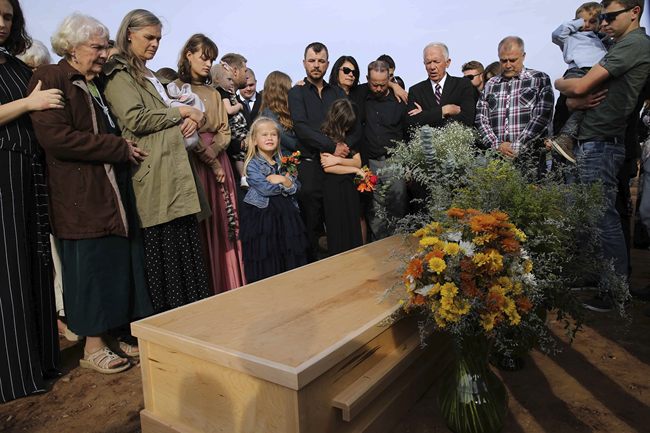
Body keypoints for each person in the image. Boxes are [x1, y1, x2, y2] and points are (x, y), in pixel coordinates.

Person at [29, 12, 154, 373]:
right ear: (71, 46)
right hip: (78, 196)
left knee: (112, 264)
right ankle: (93, 346)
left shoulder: (95, 84)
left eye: (105, 46)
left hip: (107, 192)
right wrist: (117, 148)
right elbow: (56, 138)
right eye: (96, 47)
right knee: (89, 269)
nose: (104, 53)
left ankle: (113, 336)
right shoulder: (50, 76)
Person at [103, 9, 211, 313]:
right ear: (129, 34)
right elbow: (135, 118)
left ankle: (194, 320)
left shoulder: (147, 73)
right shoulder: (118, 72)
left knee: (186, 251)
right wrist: (182, 113)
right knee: (164, 256)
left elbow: (167, 112)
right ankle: (171, 330)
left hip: (174, 167)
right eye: (149, 37)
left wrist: (190, 119)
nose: (155, 44)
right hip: (154, 174)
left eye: (158, 39)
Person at [555, 0, 650, 311]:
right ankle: (598, 277)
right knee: (589, 215)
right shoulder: (615, 45)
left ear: (635, 12)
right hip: (592, 138)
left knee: (603, 217)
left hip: (604, 142)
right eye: (602, 17)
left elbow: (580, 85)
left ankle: (614, 290)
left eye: (610, 16)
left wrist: (561, 83)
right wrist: (574, 98)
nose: (604, 22)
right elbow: (574, 100)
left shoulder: (634, 45)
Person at [0, 0, 63, 402]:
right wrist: (28, 103)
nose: (2, 23)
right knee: (9, 271)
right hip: (2, 173)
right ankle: (13, 376)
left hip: (29, 173)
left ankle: (39, 363)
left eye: (7, 16)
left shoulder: (15, 65)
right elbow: (32, 106)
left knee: (34, 263)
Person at [175, 33, 246, 294]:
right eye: (204, 57)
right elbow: (184, 133)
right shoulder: (174, 88)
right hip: (193, 163)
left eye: (212, 59)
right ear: (188, 55)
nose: (208, 64)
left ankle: (228, 283)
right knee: (201, 226)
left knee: (225, 224)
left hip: (219, 162)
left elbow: (225, 131)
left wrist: (214, 152)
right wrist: (208, 156)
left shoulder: (214, 93)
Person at [288, 42, 350, 260]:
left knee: (337, 221)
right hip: (310, 166)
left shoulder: (337, 92)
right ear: (304, 63)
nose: (316, 65)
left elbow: (346, 122)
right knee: (312, 224)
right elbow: (301, 128)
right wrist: (331, 146)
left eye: (321, 61)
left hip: (336, 165)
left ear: (327, 64)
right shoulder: (296, 93)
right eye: (312, 61)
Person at [239, 117, 308, 282]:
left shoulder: (284, 162)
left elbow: (296, 186)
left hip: (287, 214)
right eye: (264, 135)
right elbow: (264, 188)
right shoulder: (252, 164)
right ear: (254, 140)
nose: (269, 138)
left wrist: (282, 180)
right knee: (269, 252)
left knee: (287, 250)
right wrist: (285, 184)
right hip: (263, 216)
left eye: (273, 135)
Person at [546, 2, 608, 164]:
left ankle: (567, 136)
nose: (586, 25)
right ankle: (564, 136)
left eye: (591, 21)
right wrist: (579, 23)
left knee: (590, 103)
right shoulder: (570, 37)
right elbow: (556, 34)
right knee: (574, 103)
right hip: (578, 71)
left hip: (595, 73)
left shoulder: (601, 39)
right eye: (582, 21)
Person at [476, 36, 554, 161]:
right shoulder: (491, 84)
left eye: (512, 60)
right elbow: (481, 118)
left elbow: (542, 117)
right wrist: (497, 145)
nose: (507, 65)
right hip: (497, 158)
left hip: (531, 157)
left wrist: (516, 147)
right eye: (503, 60)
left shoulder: (539, 79)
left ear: (523, 56)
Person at [359, 60, 409, 240]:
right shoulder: (362, 95)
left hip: (394, 161)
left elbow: (407, 131)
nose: (379, 88)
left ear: (389, 79)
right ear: (367, 79)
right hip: (370, 163)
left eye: (382, 84)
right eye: (374, 84)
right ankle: (378, 248)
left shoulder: (399, 100)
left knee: (397, 205)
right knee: (374, 210)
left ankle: (397, 245)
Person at [320, 99, 364, 254]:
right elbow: (328, 167)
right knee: (337, 228)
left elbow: (358, 162)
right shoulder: (324, 135)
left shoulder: (350, 136)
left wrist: (338, 160)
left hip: (349, 187)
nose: (347, 128)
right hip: (332, 188)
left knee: (353, 225)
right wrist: (352, 169)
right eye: (344, 124)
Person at [407, 42, 476, 129]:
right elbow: (411, 123)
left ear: (447, 62)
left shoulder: (462, 85)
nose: (432, 67)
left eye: (436, 61)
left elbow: (468, 118)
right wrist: (445, 110)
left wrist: (425, 115)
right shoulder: (416, 91)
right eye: (428, 62)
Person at [259, 70, 299, 155]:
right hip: (283, 162)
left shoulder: (283, 112)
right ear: (282, 90)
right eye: (289, 87)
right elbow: (288, 141)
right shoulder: (269, 115)